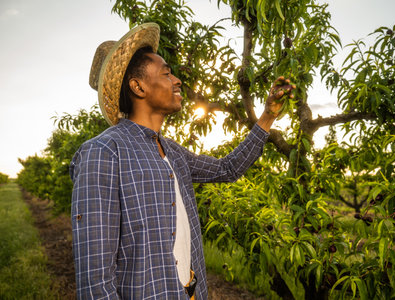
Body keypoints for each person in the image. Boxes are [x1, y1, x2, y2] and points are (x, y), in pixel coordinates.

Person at [70, 23, 294, 299]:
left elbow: (227, 168)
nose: (177, 80)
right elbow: (95, 283)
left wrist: (268, 115)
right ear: (137, 86)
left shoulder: (172, 152)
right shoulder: (103, 153)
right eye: (166, 73)